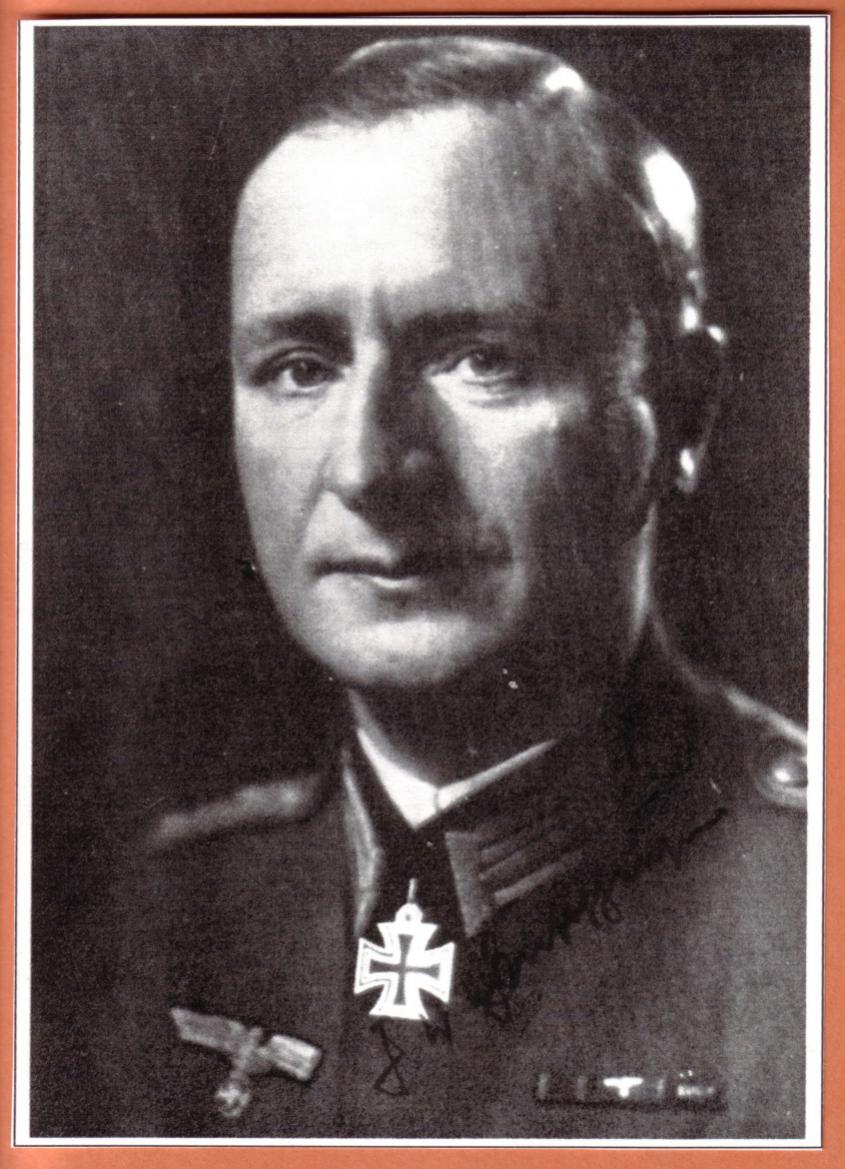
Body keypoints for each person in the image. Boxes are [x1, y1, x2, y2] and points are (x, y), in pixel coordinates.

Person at [92, 36, 807, 1139]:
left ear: (682, 410)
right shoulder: (127, 926)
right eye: (300, 366)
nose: (369, 467)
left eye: (481, 358)